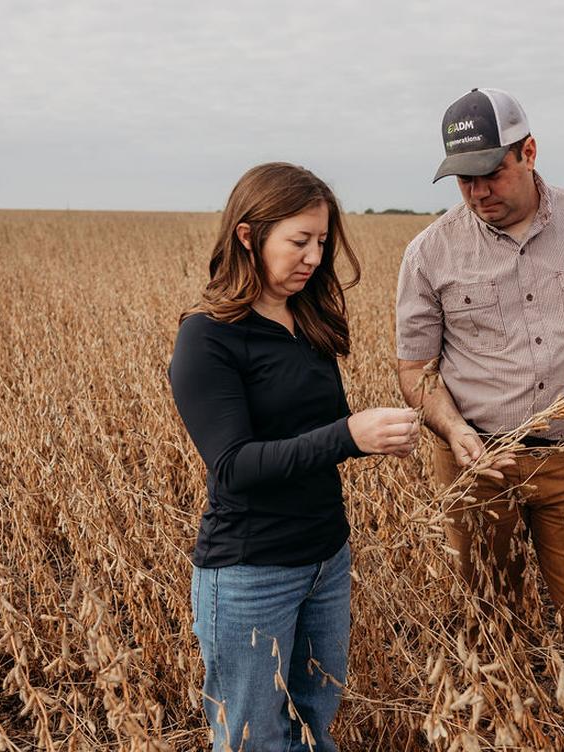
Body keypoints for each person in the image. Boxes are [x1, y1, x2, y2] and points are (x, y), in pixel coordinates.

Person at [395, 89, 564, 750]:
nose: (477, 191)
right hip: (475, 463)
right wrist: (453, 433)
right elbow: (415, 369)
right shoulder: (428, 252)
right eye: (463, 178)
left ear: (529, 151)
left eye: (492, 172)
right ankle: (512, 738)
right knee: (492, 619)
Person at [170, 162, 419, 752]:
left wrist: (376, 433)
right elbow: (233, 465)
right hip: (250, 571)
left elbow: (311, 434)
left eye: (322, 242)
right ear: (248, 236)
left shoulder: (306, 320)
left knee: (313, 727)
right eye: (299, 241)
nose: (313, 257)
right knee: (254, 739)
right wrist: (349, 436)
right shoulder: (207, 339)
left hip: (326, 560)